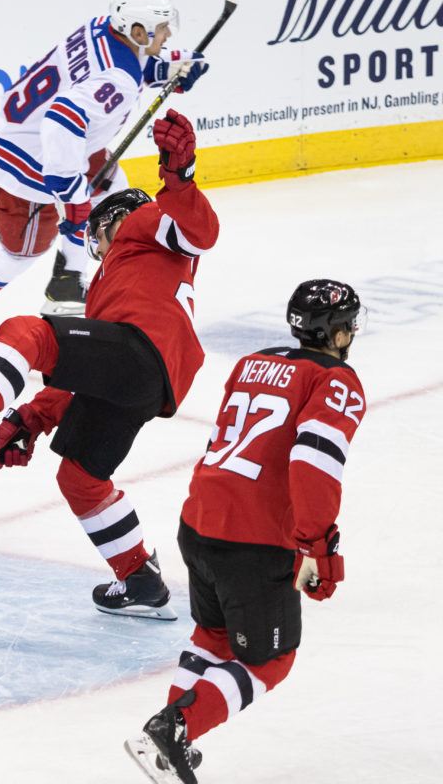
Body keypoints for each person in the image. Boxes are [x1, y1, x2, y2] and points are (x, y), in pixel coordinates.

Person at [0, 108, 217, 617]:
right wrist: (30, 419)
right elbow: (86, 369)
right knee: (80, 478)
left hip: (140, 351)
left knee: (29, 331)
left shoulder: (145, 223)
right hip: (143, 379)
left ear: (112, 222)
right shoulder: (128, 275)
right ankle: (139, 579)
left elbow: (201, 232)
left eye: (98, 237)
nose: (97, 250)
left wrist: (179, 175)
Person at [124, 280, 367, 784]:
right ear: (338, 332)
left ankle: (169, 742)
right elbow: (312, 461)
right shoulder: (336, 380)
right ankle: (176, 728)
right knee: (270, 660)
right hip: (254, 541)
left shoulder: (253, 362)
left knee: (213, 635)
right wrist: (318, 546)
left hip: (199, 520)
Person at [0, 0, 209, 327]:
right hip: (25, 156)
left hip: (35, 135)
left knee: (113, 192)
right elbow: (62, 118)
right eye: (162, 27)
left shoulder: (104, 26)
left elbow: (116, 69)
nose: (168, 34)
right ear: (137, 32)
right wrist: (71, 195)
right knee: (21, 251)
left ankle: (71, 280)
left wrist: (167, 69)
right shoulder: (119, 78)